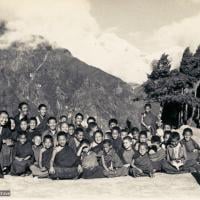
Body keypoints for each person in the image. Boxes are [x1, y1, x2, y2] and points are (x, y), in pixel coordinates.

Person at [0, 111, 13, 176]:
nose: (4, 120)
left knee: (7, 148)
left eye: (6, 118)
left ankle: (4, 167)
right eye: (2, 117)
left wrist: (5, 141)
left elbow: (9, 140)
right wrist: (2, 141)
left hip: (2, 149)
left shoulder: (7, 129)